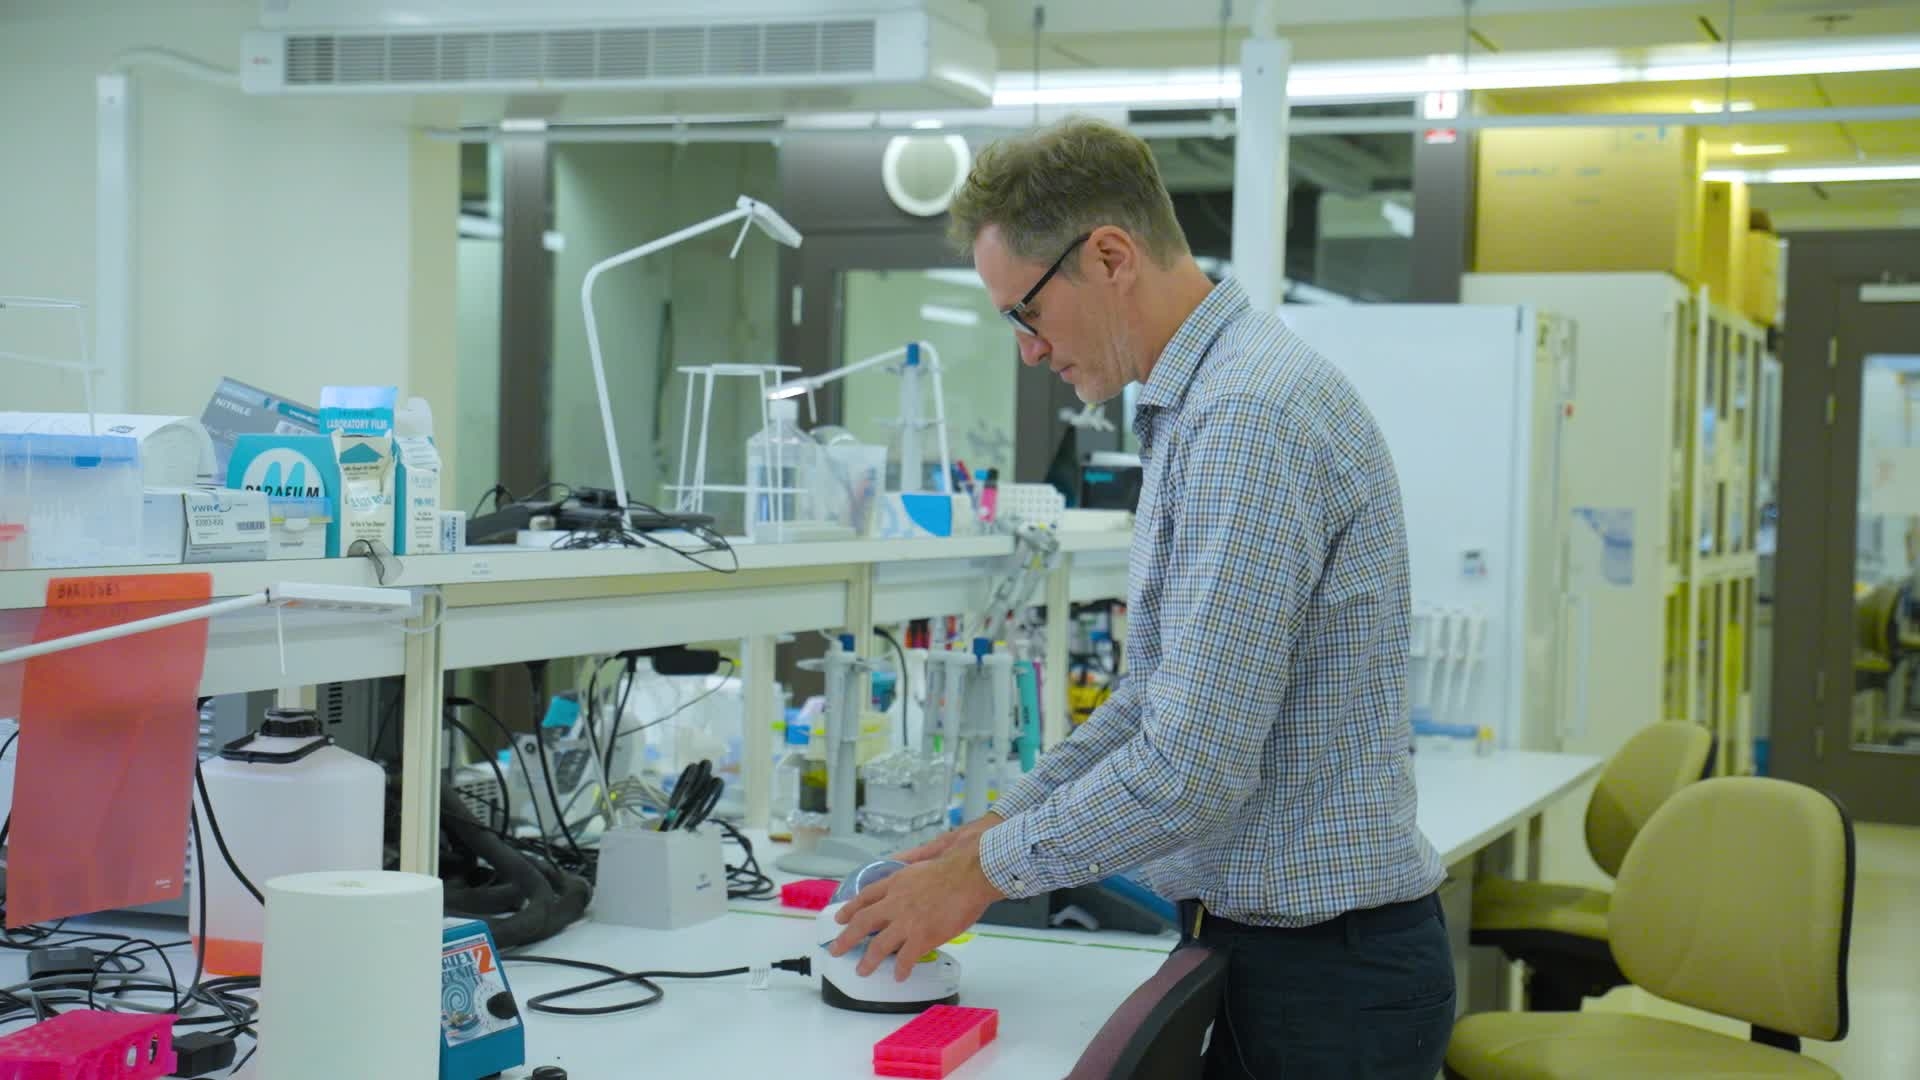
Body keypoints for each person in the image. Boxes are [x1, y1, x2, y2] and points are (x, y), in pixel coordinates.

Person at [829, 117, 1454, 1077]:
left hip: (1326, 980)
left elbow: (1191, 768)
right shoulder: (1198, 403)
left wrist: (982, 878)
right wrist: (1000, 825)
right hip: (1274, 954)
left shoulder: (1246, 416)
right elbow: (1155, 699)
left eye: (1026, 312)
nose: (1028, 350)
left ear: (1110, 257)